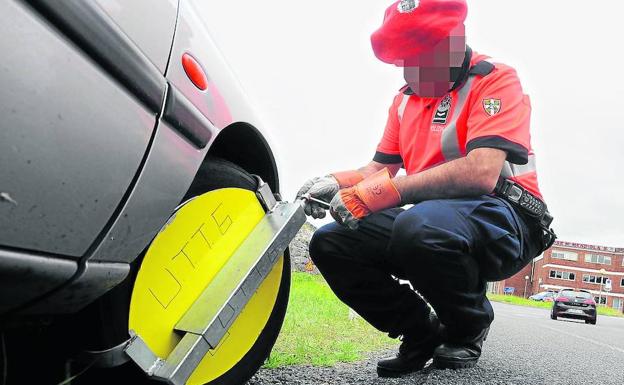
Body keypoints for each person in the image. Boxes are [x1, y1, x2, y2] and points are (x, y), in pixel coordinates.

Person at [296, 0, 556, 377]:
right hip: (432, 221)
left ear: (452, 41)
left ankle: (468, 326)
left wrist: (379, 195)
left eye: (415, 56)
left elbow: (482, 172)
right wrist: (334, 182)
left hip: (507, 220)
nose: (406, 69)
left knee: (417, 226)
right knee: (333, 241)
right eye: (402, 58)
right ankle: (421, 330)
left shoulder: (495, 79)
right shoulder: (404, 100)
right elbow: (379, 169)